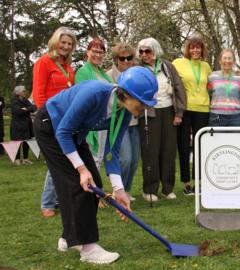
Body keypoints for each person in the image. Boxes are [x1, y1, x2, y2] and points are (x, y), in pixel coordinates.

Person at [33, 66, 158, 264]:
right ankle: (88, 248)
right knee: (79, 185)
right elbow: (63, 132)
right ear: (127, 94)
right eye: (143, 102)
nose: (145, 107)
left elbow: (111, 152)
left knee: (95, 184)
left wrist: (119, 190)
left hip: (74, 134)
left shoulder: (124, 112)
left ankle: (69, 237)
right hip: (51, 127)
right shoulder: (94, 93)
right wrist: (81, 169)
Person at [32, 26, 77, 218]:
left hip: (66, 117)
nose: (65, 46)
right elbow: (39, 93)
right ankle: (47, 203)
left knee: (67, 158)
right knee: (56, 160)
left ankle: (59, 198)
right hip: (49, 117)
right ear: (55, 41)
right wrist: (46, 115)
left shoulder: (68, 66)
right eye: (63, 42)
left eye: (69, 44)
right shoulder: (44, 62)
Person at [137, 38, 186, 202]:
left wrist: (179, 113)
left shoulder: (167, 66)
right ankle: (150, 189)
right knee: (151, 152)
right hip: (149, 114)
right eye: (141, 51)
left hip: (168, 112)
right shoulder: (138, 69)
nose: (144, 55)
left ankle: (168, 188)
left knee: (169, 151)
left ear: (155, 51)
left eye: (148, 51)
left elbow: (179, 88)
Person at [172, 36, 212, 195]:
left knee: (200, 147)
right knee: (183, 146)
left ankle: (199, 182)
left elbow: (210, 86)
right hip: (185, 109)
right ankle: (186, 182)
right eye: (192, 48)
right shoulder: (178, 63)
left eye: (198, 48)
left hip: (203, 109)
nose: (195, 51)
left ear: (202, 50)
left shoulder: (206, 66)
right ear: (187, 49)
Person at [106, 42, 138, 201]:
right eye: (122, 58)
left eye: (129, 58)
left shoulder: (137, 73)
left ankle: (127, 189)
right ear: (116, 59)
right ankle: (119, 190)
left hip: (135, 122)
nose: (126, 61)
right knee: (125, 158)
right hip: (118, 123)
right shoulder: (109, 75)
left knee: (134, 160)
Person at [75, 38, 113, 170]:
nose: (98, 55)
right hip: (91, 121)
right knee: (91, 158)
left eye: (101, 52)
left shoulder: (103, 73)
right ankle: (89, 188)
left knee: (99, 157)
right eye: (94, 51)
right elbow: (81, 98)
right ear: (87, 52)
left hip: (103, 120)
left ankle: (94, 188)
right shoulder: (83, 72)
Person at [207, 48, 240, 127]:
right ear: (220, 61)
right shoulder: (212, 77)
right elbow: (208, 96)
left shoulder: (239, 78)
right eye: (225, 58)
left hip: (236, 118)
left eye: (230, 58)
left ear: (233, 61)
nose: (227, 61)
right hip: (216, 117)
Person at [10, 86, 37, 165]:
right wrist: (27, 109)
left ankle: (26, 158)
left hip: (27, 124)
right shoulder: (14, 101)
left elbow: (34, 107)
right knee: (17, 142)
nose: (25, 92)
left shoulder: (26, 100)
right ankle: (17, 159)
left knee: (26, 141)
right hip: (17, 124)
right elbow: (18, 111)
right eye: (23, 91)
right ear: (18, 93)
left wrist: (26, 109)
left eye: (25, 91)